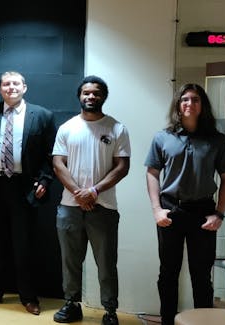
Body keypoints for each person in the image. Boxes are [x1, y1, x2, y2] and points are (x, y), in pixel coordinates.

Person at [145, 84, 225, 325]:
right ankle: (167, 321)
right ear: (178, 105)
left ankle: (202, 321)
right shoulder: (163, 137)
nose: (189, 104)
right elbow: (152, 173)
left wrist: (219, 214)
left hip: (203, 213)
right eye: (184, 99)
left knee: (202, 276)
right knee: (168, 274)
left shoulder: (217, 141)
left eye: (195, 99)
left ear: (202, 105)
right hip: (170, 211)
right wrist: (156, 209)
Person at [0, 71, 55, 314]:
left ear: (24, 87)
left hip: (24, 188)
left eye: (15, 83)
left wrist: (45, 181)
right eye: (6, 84)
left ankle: (28, 296)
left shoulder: (42, 116)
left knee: (24, 244)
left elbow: (51, 155)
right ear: (0, 89)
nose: (11, 88)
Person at [52, 75, 130, 325]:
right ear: (80, 96)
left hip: (103, 207)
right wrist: (78, 192)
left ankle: (109, 311)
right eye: (86, 93)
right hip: (70, 207)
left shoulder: (116, 128)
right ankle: (72, 305)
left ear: (103, 97)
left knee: (106, 263)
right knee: (70, 261)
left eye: (96, 93)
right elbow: (58, 163)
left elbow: (122, 167)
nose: (91, 97)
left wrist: (94, 191)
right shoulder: (67, 128)